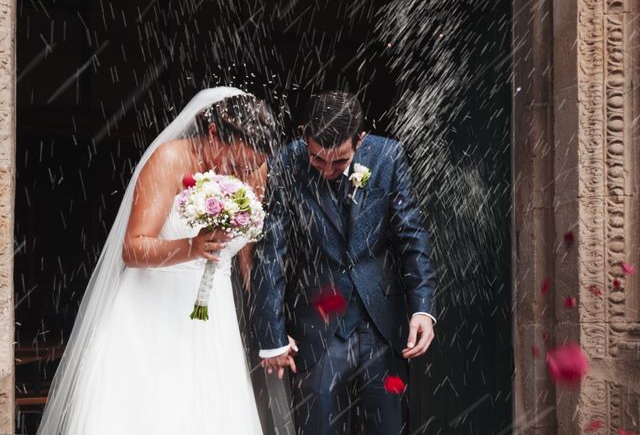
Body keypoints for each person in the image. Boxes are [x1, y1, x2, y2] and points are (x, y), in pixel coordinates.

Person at [38, 87, 290, 435]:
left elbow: (248, 260)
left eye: (253, 166)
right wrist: (190, 247)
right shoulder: (170, 159)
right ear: (214, 133)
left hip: (212, 317)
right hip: (150, 311)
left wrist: (269, 325)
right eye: (234, 163)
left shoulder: (252, 174)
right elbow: (133, 247)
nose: (240, 175)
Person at [251, 91, 438, 434]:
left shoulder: (387, 157)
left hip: (381, 322)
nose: (326, 170)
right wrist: (272, 335)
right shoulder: (286, 162)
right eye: (317, 159)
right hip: (317, 327)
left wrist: (422, 307)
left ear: (360, 139)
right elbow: (271, 251)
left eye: (338, 163)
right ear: (304, 133)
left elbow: (411, 236)